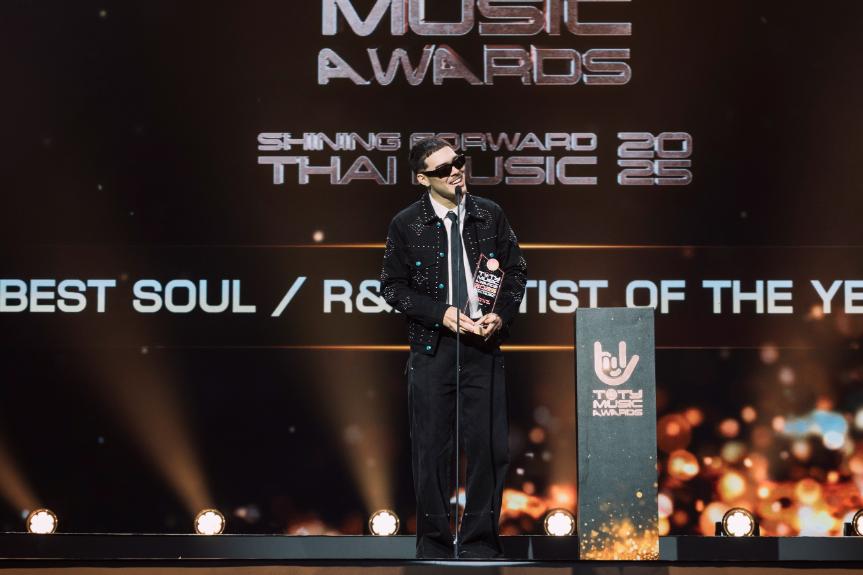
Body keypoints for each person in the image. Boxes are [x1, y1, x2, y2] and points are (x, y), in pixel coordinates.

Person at [380, 137, 527, 559]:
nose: (456, 171)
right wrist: (439, 313)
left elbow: (516, 271)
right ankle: (435, 544)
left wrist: (500, 314)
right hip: (433, 348)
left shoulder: (489, 214)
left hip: (483, 345)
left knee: (489, 448)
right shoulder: (407, 223)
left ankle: (480, 542)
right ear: (423, 178)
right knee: (432, 450)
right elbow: (392, 286)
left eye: (458, 161)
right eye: (443, 169)